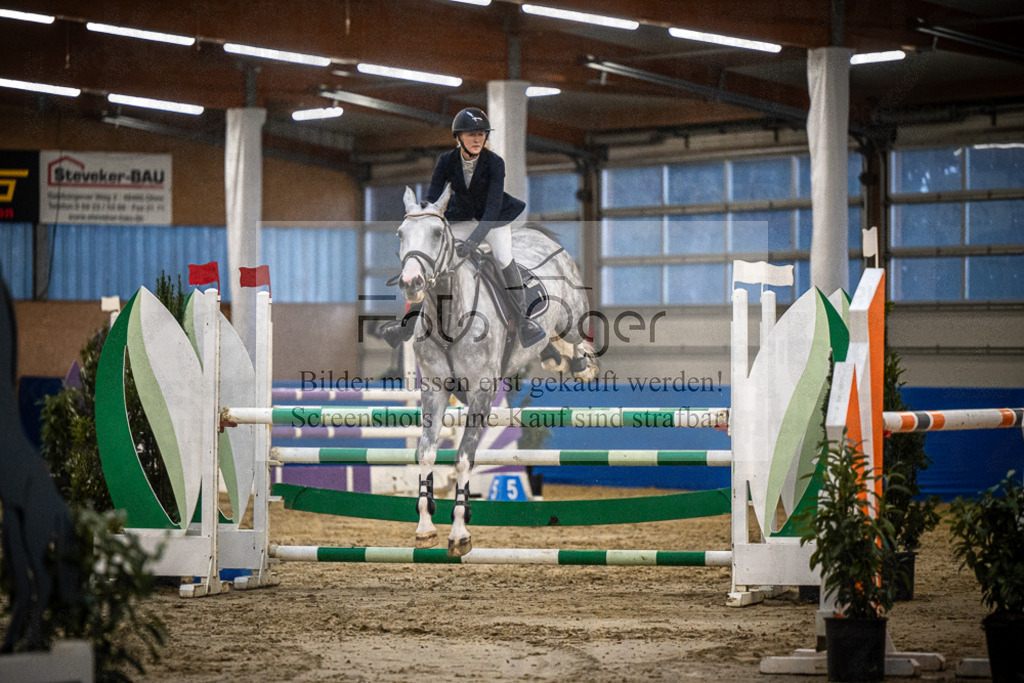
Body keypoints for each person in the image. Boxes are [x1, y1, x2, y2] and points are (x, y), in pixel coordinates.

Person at [380, 107, 546, 349]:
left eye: (481, 134)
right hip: (460, 219)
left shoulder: (494, 163)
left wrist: (474, 242)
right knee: (434, 260)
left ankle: (523, 321)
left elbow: (492, 208)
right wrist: (425, 218)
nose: (478, 139)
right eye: (471, 134)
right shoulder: (446, 161)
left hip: (493, 220)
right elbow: (434, 198)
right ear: (458, 137)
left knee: (502, 257)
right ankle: (407, 324)